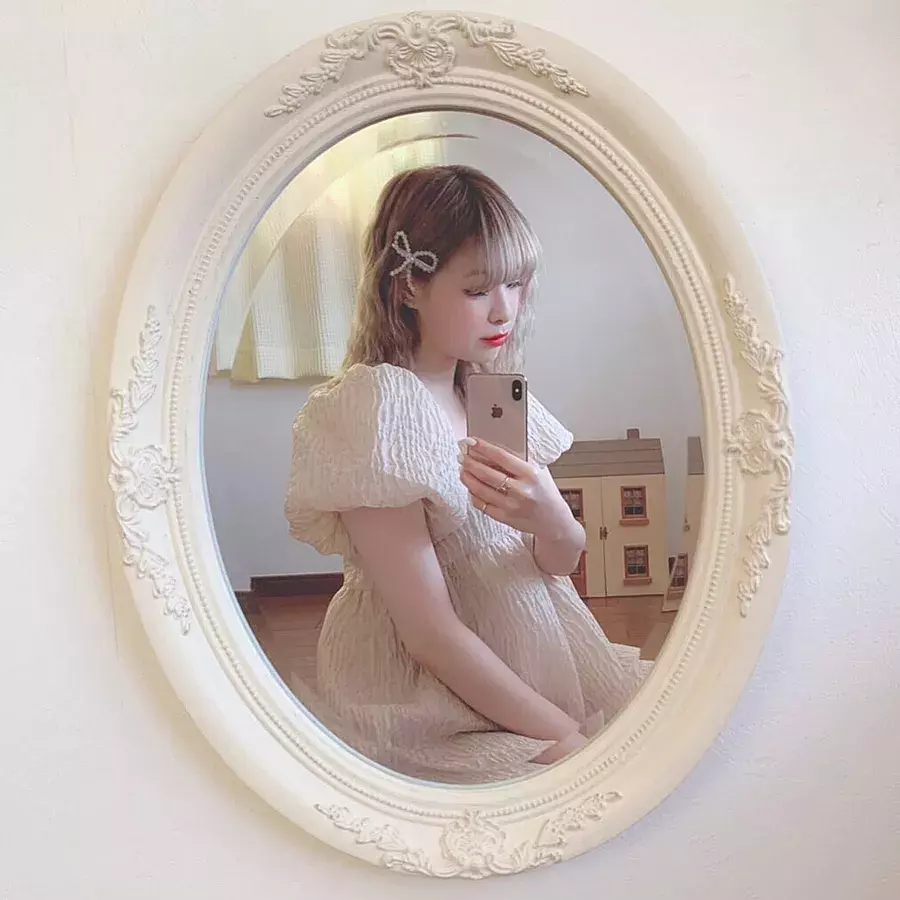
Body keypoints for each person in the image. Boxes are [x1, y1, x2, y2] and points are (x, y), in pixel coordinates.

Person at [284, 164, 652, 784]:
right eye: (478, 289)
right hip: (436, 698)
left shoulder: (488, 396)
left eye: (516, 283)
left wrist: (554, 521)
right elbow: (429, 635)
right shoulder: (378, 408)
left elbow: (555, 564)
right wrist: (562, 734)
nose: (505, 309)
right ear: (408, 287)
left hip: (543, 661)